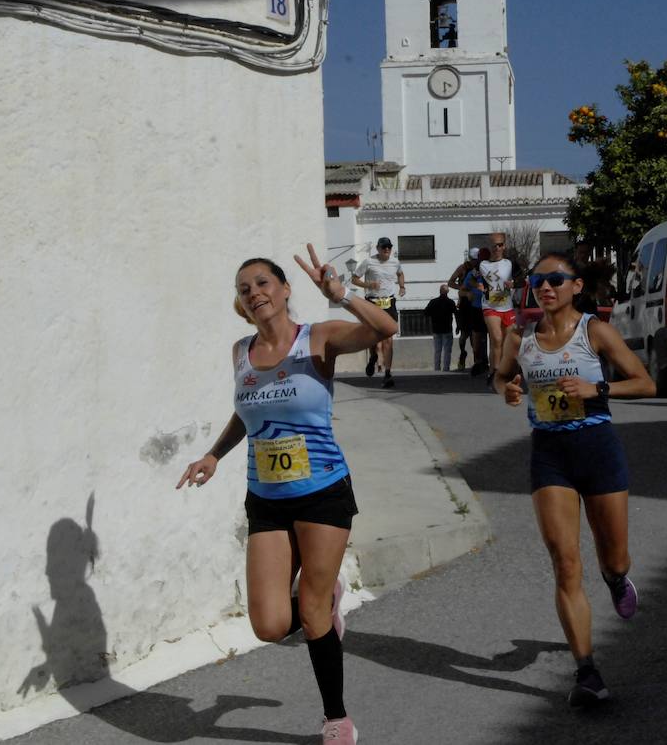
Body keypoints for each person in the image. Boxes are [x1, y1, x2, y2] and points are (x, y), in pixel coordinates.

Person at [176, 246, 396, 744]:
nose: (254, 293)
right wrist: (214, 454)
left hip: (322, 493)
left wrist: (340, 295)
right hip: (267, 499)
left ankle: (336, 719)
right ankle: (326, 596)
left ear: (285, 289)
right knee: (271, 624)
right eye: (244, 289)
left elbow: (385, 330)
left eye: (262, 283)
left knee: (314, 613)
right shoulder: (240, 353)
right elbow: (246, 413)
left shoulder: (317, 339)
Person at [492, 252, 656, 707]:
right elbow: (501, 376)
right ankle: (587, 671)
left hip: (598, 449)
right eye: (539, 281)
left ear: (576, 286)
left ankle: (617, 578)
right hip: (550, 454)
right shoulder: (519, 335)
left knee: (615, 558)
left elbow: (645, 383)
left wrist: (597, 389)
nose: (546, 287)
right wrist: (506, 389)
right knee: (565, 563)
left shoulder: (595, 331)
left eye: (556, 280)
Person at [351, 237, 406, 389]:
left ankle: (388, 373)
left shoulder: (395, 262)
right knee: (373, 337)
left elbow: (400, 274)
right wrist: (369, 284)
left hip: (389, 302)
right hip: (372, 302)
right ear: (378, 248)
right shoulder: (368, 262)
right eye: (384, 247)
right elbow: (354, 279)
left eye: (389, 247)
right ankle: (374, 356)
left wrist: (402, 287)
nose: (386, 249)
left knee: (388, 338)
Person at [479, 231, 515, 376]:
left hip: (507, 306)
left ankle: (499, 369)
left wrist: (513, 283)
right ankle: (496, 372)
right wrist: (478, 286)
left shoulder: (509, 263)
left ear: (504, 246)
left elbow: (522, 280)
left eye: (500, 245)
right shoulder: (483, 264)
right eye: (494, 246)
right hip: (490, 306)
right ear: (490, 247)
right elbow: (473, 278)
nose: (497, 248)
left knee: (506, 342)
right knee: (497, 338)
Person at [446, 248, 478, 370]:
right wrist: (462, 288)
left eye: (477, 259)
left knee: (476, 333)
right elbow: (450, 282)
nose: (476, 262)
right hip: (465, 304)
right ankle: (463, 354)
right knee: (464, 333)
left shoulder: (481, 268)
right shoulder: (463, 268)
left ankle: (477, 360)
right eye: (474, 259)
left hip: (477, 303)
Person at [461, 248, 490, 376]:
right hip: (478, 307)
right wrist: (467, 293)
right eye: (480, 259)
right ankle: (479, 361)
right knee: (478, 336)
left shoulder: (498, 268)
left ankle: (493, 363)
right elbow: (462, 289)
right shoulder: (475, 271)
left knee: (494, 337)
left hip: (495, 307)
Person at [424, 284, 457, 372]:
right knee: (447, 350)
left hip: (436, 329)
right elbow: (456, 314)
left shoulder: (433, 302)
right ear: (448, 292)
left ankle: (437, 368)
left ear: (439, 291)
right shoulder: (451, 302)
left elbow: (426, 313)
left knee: (437, 350)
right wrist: (458, 326)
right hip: (447, 329)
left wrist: (434, 314)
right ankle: (446, 368)